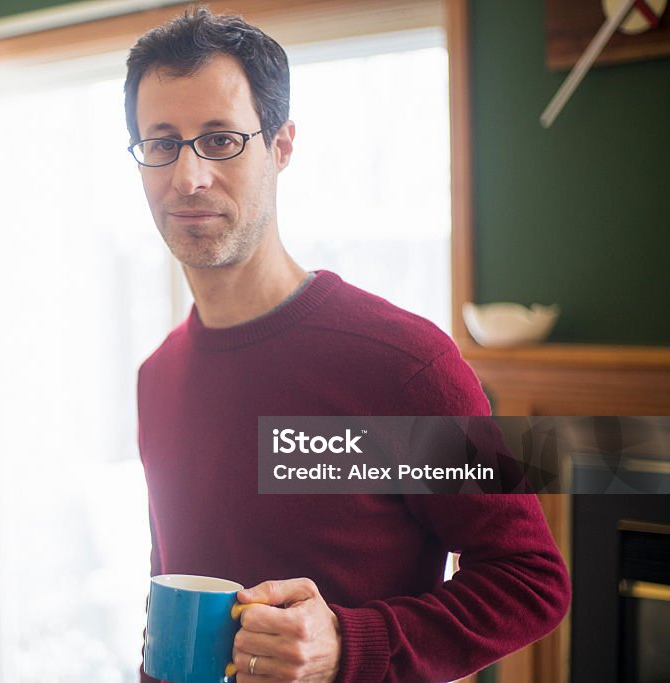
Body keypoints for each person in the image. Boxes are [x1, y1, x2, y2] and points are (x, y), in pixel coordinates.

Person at [126, 9, 570, 683]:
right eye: (161, 142)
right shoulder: (157, 377)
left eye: (219, 139)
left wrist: (346, 642)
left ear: (281, 146)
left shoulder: (401, 365)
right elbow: (178, 574)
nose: (187, 176)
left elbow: (530, 580)